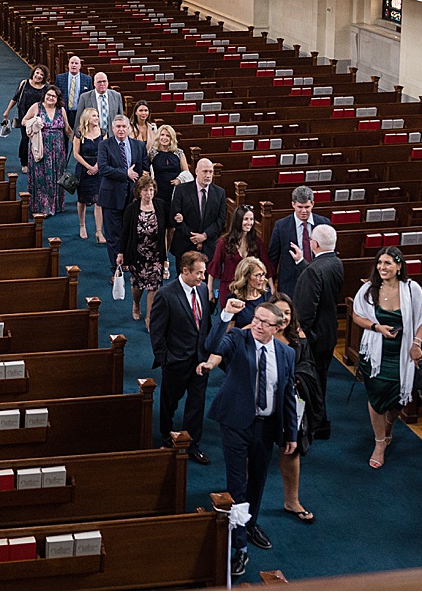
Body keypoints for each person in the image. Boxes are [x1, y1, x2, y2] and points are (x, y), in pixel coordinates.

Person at [203, 297, 298, 575]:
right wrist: (224, 316)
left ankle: (249, 524)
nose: (257, 325)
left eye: (264, 323)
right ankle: (240, 546)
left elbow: (288, 395)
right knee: (237, 483)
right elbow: (211, 346)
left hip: (266, 426)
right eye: (256, 319)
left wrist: (290, 432)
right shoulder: (236, 338)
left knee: (257, 480)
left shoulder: (286, 354)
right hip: (235, 421)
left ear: (277, 327)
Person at [351, 245, 422, 468]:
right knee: (376, 398)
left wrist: (416, 343)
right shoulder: (368, 289)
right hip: (376, 356)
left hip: (402, 354)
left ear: (398, 266)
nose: (382, 267)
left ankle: (389, 426)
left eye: (387, 263)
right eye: (379, 263)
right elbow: (357, 315)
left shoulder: (412, 289)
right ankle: (379, 443)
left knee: (396, 400)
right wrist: (376, 327)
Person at [148, 250, 213, 465]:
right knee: (169, 402)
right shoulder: (166, 295)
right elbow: (157, 332)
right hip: (176, 361)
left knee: (196, 404)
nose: (203, 278)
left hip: (200, 360)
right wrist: (165, 359)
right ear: (185, 271)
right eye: (199, 273)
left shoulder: (202, 290)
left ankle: (192, 444)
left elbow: (205, 324)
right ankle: (166, 435)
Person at [290, 223, 344, 440]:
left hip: (314, 338)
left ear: (314, 244)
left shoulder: (314, 270)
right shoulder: (336, 263)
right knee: (320, 379)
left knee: (312, 382)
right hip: (329, 333)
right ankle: (319, 421)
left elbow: (306, 312)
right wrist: (302, 263)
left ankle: (317, 423)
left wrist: (298, 337)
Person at [270, 294, 321, 524]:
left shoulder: (299, 339)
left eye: (288, 313)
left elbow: (308, 366)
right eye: (279, 313)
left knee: (291, 449)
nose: (284, 318)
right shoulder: (260, 334)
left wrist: (297, 379)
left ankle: (292, 500)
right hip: (262, 403)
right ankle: (245, 498)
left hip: (292, 403)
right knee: (254, 451)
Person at [116, 174, 171, 323]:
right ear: (139, 191)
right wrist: (121, 253)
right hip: (137, 254)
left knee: (153, 287)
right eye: (146, 190)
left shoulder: (160, 205)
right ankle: (136, 303)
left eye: (151, 190)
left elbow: (167, 227)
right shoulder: (132, 209)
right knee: (138, 287)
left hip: (155, 254)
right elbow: (125, 232)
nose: (149, 194)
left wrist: (178, 218)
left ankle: (149, 317)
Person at [268, 185, 332, 298]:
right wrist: (270, 286)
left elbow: (330, 254)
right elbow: (273, 258)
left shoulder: (323, 223)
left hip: (318, 281)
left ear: (313, 204)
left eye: (307, 207)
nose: (304, 211)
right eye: (300, 207)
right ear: (293, 204)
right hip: (290, 284)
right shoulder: (281, 226)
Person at [97, 113, 149, 252]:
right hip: (112, 196)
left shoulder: (139, 145)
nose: (121, 129)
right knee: (113, 235)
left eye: (124, 126)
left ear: (129, 129)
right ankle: (116, 269)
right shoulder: (104, 145)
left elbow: (144, 168)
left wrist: (144, 175)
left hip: (132, 197)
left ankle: (126, 260)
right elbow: (103, 169)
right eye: (118, 127)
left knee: (130, 233)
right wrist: (125, 173)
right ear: (112, 128)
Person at [167, 157, 225, 278]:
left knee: (203, 286)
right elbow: (174, 218)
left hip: (208, 246)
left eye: (211, 172)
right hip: (185, 244)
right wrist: (193, 236)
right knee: (183, 283)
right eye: (205, 171)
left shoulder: (219, 193)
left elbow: (221, 220)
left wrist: (204, 236)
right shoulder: (181, 190)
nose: (208, 175)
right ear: (197, 171)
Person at [21, 86, 71, 220]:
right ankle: (42, 206)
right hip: (40, 148)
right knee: (41, 177)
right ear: (44, 95)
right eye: (48, 95)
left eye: (53, 96)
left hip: (58, 150)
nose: (50, 98)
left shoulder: (61, 110)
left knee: (56, 176)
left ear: (57, 99)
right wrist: (34, 122)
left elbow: (66, 128)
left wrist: (78, 140)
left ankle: (56, 205)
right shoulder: (37, 107)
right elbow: (23, 121)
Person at [206, 203, 263, 303]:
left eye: (251, 219)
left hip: (249, 288)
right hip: (229, 287)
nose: (249, 223)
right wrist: (209, 290)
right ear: (238, 220)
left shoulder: (256, 241)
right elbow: (215, 266)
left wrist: (271, 288)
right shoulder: (223, 242)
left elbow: (265, 264)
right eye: (246, 219)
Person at [1, 64, 50, 180]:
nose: (38, 76)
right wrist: (7, 111)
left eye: (41, 75)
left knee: (38, 139)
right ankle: (24, 163)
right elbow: (15, 97)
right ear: (33, 73)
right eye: (37, 73)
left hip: (38, 118)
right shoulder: (24, 83)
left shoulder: (46, 88)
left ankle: (37, 160)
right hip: (24, 117)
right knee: (25, 138)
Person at [72, 107, 104, 244]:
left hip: (99, 169)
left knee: (99, 201)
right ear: (87, 118)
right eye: (93, 116)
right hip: (84, 169)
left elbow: (105, 151)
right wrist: (89, 167)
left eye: (97, 116)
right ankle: (82, 225)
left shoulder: (103, 133)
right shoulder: (79, 133)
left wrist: (97, 166)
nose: (96, 118)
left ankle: (98, 231)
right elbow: (76, 154)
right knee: (82, 200)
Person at [150, 125, 187, 210]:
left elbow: (186, 172)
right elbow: (146, 170)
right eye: (162, 135)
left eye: (168, 136)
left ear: (172, 138)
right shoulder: (152, 152)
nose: (164, 138)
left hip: (175, 190)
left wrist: (179, 180)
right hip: (158, 189)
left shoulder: (179, 152)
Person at [59, 54, 88, 128]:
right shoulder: (60, 78)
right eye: (72, 63)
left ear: (80, 66)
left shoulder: (87, 79)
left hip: (80, 113)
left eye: (76, 63)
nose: (74, 65)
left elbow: (89, 98)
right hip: (64, 112)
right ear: (68, 65)